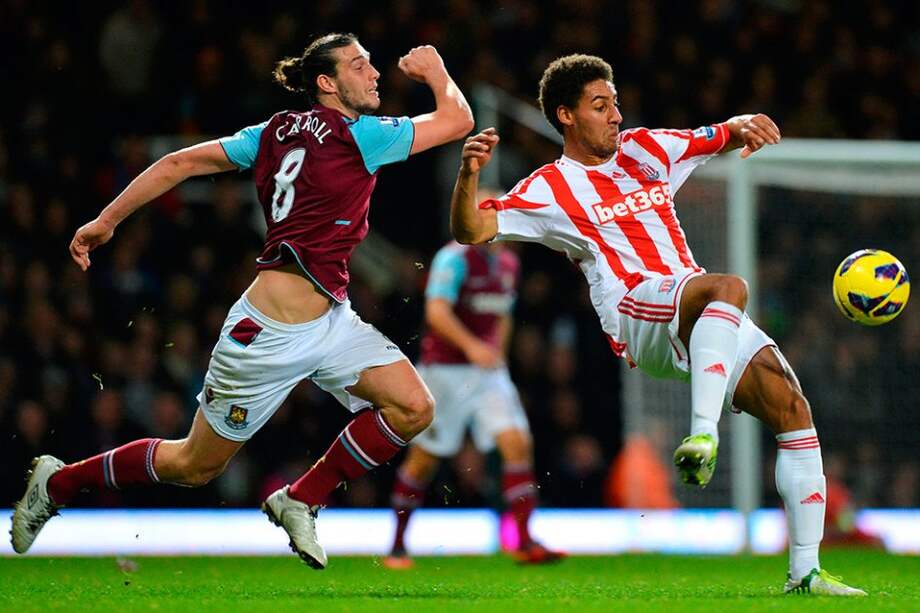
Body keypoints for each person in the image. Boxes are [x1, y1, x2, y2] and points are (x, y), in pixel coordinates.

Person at [11, 32, 474, 569]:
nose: (374, 74)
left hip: (331, 318)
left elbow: (178, 163)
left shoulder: (273, 132)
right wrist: (436, 69)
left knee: (414, 406)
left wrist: (106, 220)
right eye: (359, 65)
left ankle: (300, 499)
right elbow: (458, 119)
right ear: (326, 84)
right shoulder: (361, 136)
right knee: (193, 464)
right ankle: (57, 482)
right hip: (266, 334)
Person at [448, 54, 866, 596]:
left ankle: (805, 573)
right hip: (634, 312)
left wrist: (747, 124)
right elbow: (471, 229)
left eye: (615, 103)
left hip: (696, 313)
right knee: (729, 287)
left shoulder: (648, 148)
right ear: (566, 116)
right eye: (601, 106)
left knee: (792, 407)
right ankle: (703, 435)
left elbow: (719, 135)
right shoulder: (550, 187)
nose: (616, 115)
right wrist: (468, 175)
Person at [383, 231, 564, 568]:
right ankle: (397, 545)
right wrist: (471, 346)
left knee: (517, 443)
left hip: (486, 373)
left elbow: (504, 314)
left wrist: (499, 354)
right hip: (445, 372)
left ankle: (524, 541)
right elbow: (436, 313)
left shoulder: (509, 262)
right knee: (424, 460)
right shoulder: (453, 258)